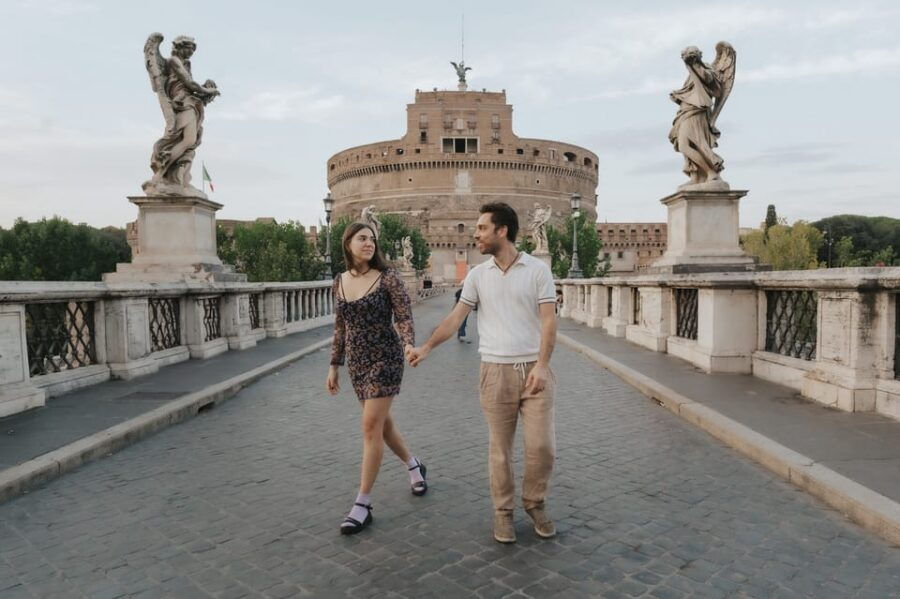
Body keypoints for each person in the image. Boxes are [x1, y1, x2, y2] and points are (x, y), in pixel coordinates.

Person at [406, 202, 558, 544]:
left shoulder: (537, 270)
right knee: (500, 450)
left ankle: (535, 502)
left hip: (534, 370)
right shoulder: (477, 275)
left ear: (502, 231)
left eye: (482, 228)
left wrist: (543, 364)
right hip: (494, 370)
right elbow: (456, 318)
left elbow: (549, 321)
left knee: (542, 447)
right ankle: (503, 512)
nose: (475, 234)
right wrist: (426, 347)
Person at [326, 222, 428, 535]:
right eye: (362, 238)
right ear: (348, 243)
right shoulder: (339, 281)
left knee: (370, 426)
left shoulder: (388, 277)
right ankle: (414, 465)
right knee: (383, 425)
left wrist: (408, 343)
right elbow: (340, 327)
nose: (369, 243)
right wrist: (334, 365)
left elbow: (404, 315)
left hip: (386, 357)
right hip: (357, 361)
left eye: (372, 239)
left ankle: (363, 504)